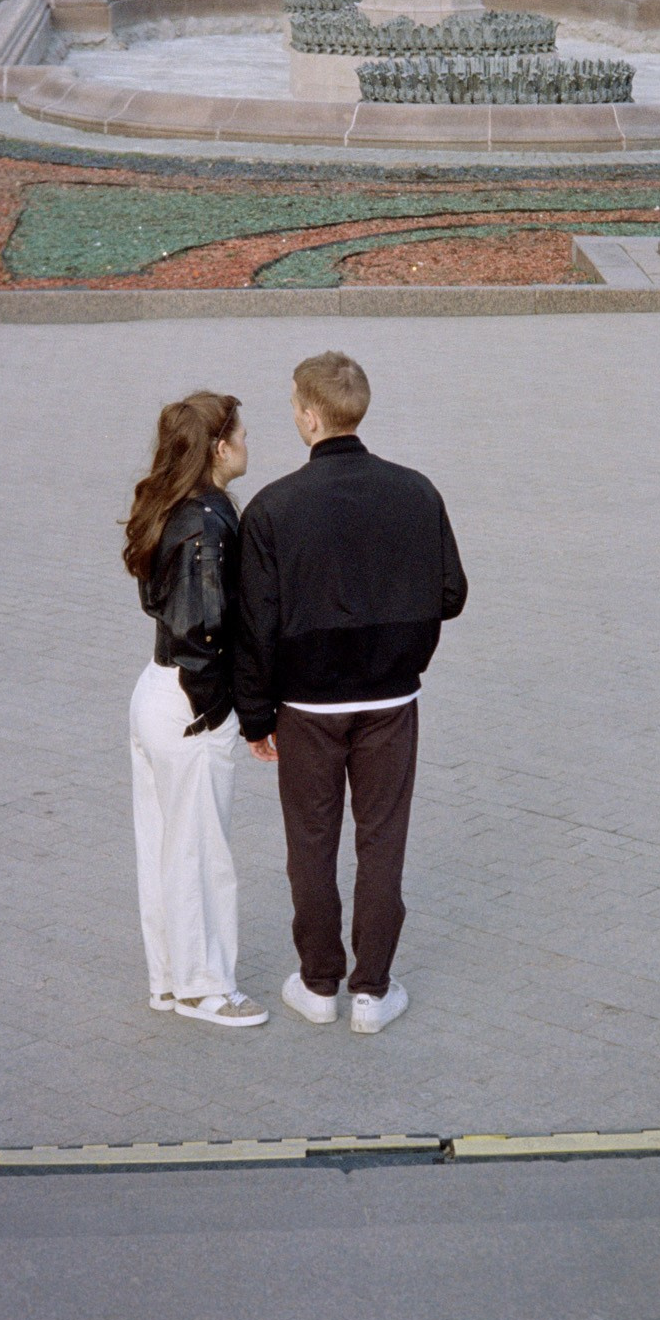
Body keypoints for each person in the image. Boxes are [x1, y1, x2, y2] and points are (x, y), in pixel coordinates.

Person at [236, 352, 467, 1036]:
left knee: (310, 842)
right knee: (381, 841)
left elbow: (255, 625)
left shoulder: (273, 507)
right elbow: (450, 594)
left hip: (305, 706)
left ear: (308, 415)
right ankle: (372, 991)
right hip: (391, 699)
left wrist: (254, 716)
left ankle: (317, 983)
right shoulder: (416, 491)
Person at [122, 392, 268, 1030]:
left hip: (156, 690)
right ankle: (206, 988)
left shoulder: (171, 508)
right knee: (202, 854)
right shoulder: (207, 523)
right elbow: (204, 629)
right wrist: (220, 712)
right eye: (240, 433)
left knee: (162, 848)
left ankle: (170, 980)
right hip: (189, 702)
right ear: (217, 447)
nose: (247, 444)